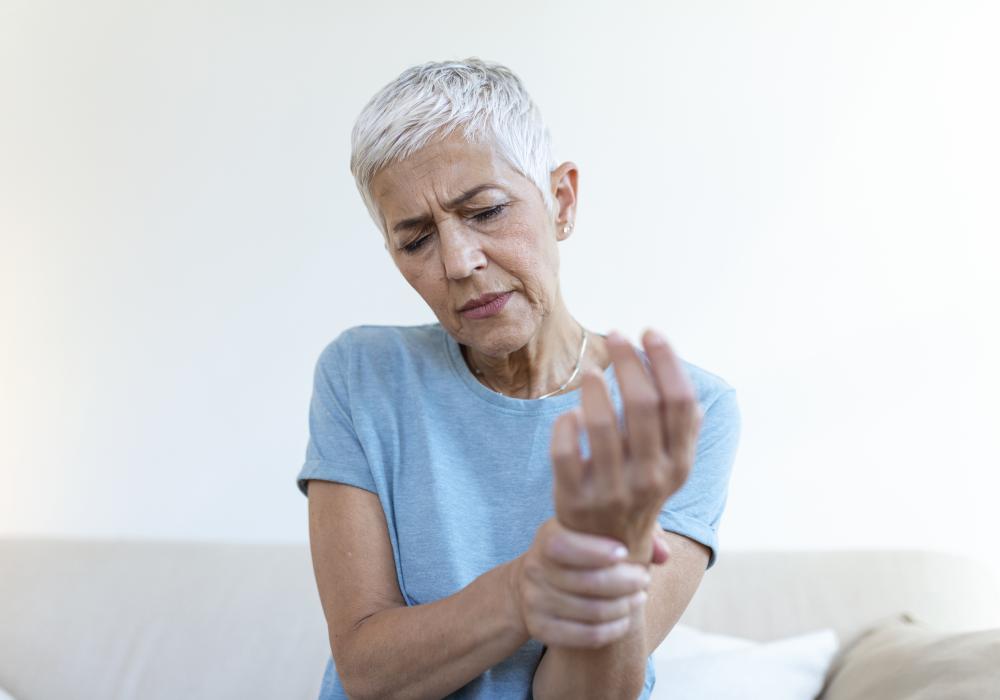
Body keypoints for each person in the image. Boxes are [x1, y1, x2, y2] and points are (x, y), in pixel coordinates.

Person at [296, 57, 741, 699]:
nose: (458, 261)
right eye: (416, 240)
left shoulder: (685, 412)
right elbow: (370, 673)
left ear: (561, 201)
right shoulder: (362, 376)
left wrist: (612, 550)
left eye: (486, 211)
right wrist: (528, 586)